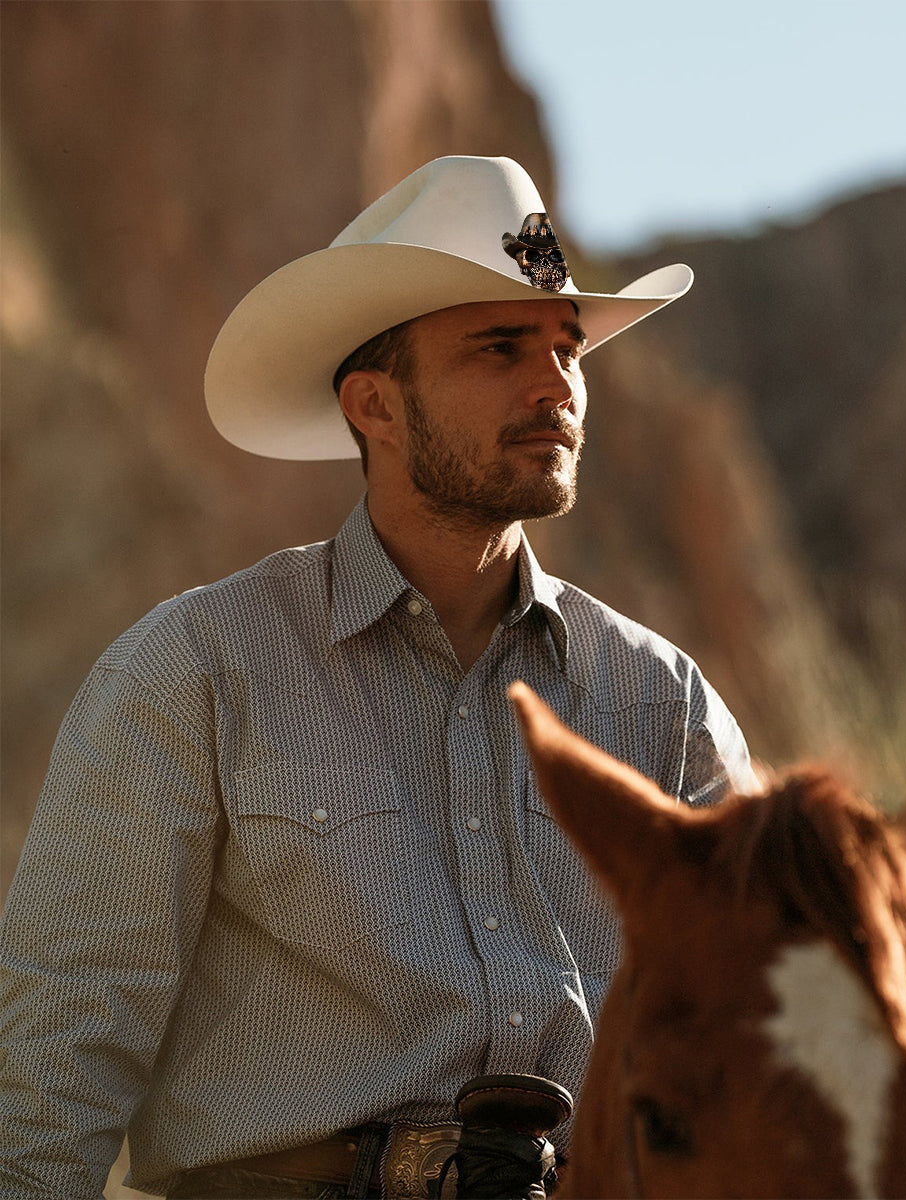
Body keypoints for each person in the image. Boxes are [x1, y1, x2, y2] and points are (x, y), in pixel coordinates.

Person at [0, 156, 757, 1200]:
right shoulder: (200, 673)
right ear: (376, 407)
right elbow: (56, 1061)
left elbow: (766, 1041)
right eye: (500, 348)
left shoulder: (663, 706)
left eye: (566, 348)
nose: (557, 385)